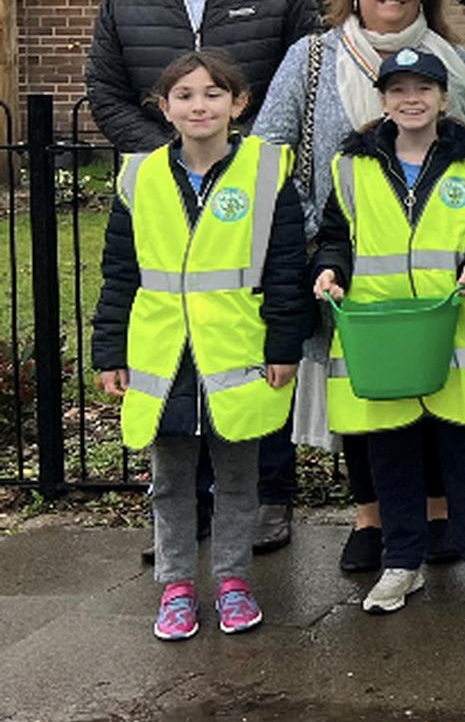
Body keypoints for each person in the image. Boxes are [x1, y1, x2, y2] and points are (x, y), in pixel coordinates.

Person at [85, 0, 320, 554]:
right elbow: (104, 88)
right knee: (177, 346)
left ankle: (269, 497)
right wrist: (171, 154)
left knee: (252, 344)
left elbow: (306, 72)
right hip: (164, 191)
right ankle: (181, 519)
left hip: (251, 184)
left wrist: (237, 153)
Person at [257, 0, 465, 572]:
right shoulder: (312, 58)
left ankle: (440, 513)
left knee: (442, 385)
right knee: (364, 391)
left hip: (441, 268)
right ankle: (371, 519)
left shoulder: (455, 62)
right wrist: (312, 239)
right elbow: (270, 149)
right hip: (342, 260)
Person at [90, 50, 310, 640]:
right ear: (164, 108)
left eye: (214, 93)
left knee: (240, 478)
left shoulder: (267, 171)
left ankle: (234, 582)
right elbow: (120, 273)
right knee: (170, 481)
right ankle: (178, 587)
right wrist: (109, 352)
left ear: (238, 104)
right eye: (184, 95)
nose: (199, 105)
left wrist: (284, 346)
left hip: (236, 351)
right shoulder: (140, 177)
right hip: (163, 357)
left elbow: (288, 268)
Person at [310, 46, 465, 614]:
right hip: (381, 336)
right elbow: (335, 237)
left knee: (463, 455)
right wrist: (330, 269)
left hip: (455, 333)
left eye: (423, 89)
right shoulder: (350, 167)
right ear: (382, 101)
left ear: (444, 98)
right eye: (398, 90)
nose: (411, 100)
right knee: (391, 456)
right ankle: (401, 563)